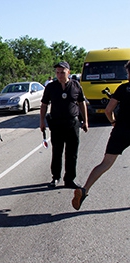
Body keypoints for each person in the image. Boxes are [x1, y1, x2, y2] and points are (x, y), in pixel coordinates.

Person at [72, 60, 130, 210]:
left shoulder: (123, 89)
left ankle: (84, 190)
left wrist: (113, 122)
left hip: (121, 130)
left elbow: (108, 110)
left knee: (105, 163)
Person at [40, 61, 89, 189]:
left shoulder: (76, 85)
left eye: (62, 72)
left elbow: (81, 103)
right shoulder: (51, 87)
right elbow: (44, 105)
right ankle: (55, 177)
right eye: (57, 72)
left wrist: (85, 121)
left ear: (68, 72)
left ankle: (70, 179)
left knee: (72, 153)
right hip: (56, 123)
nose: (59, 75)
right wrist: (42, 122)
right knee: (57, 152)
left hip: (72, 123)